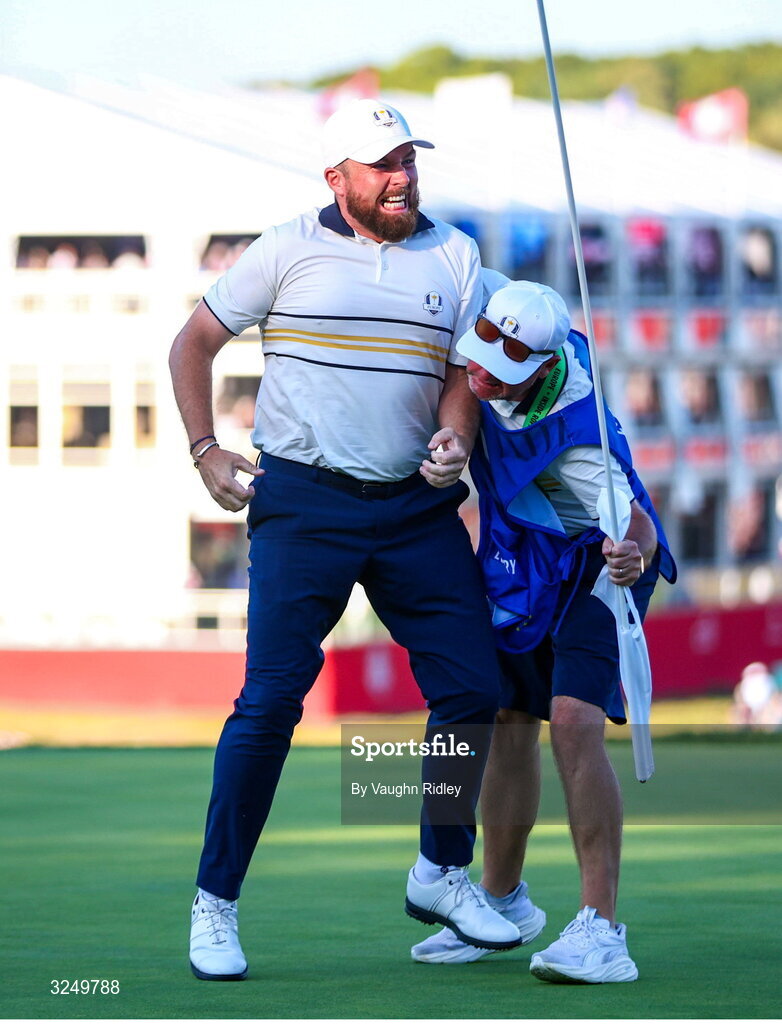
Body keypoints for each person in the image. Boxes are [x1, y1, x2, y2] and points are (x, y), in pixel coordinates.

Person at [169, 99, 522, 981]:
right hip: (304, 503)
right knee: (270, 704)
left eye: (409, 158)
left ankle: (441, 870)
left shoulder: (455, 253)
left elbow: (459, 374)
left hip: (412, 507)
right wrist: (205, 449)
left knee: (474, 687)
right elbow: (193, 342)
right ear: (339, 179)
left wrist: (457, 437)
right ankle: (215, 903)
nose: (403, 175)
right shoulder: (285, 249)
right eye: (383, 164)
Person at [411, 278, 676, 983]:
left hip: (601, 562)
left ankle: (603, 931)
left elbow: (636, 522)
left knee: (571, 721)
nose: (481, 371)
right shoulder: (503, 329)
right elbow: (468, 351)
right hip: (530, 557)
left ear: (537, 369)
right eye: (481, 353)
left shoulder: (579, 435)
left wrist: (634, 552)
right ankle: (502, 901)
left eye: (500, 368)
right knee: (505, 718)